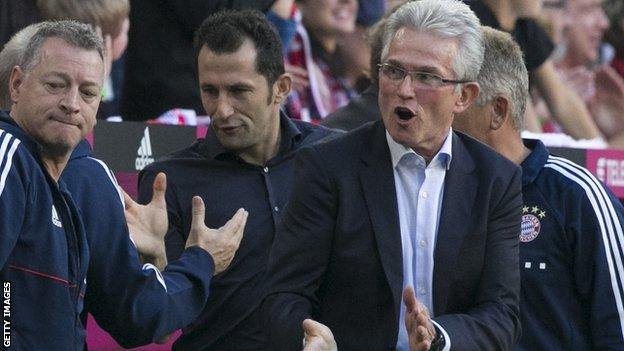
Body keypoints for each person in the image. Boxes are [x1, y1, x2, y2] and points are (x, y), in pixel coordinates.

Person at [262, 1, 523, 350]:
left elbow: (502, 314)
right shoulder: (328, 167)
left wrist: (439, 338)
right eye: (394, 71)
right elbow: (284, 296)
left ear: (464, 96)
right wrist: (309, 338)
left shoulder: (497, 180)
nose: (404, 89)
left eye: (427, 77)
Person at [0, 20, 248, 350]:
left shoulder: (89, 180)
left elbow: (137, 316)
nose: (72, 103)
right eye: (56, 85)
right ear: (17, 85)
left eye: (88, 92)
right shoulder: (7, 151)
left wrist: (196, 260)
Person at [137, 10, 334, 350]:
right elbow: (160, 330)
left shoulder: (334, 155)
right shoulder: (168, 180)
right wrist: (157, 266)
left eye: (239, 91)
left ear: (281, 88)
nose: (222, 109)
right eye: (209, 91)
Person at [454, 26, 624, 350]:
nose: (438, 109)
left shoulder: (577, 196)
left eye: (458, 97)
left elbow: (618, 328)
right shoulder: (431, 192)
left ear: (497, 111)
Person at [463, 0, 604, 141]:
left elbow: (562, 100)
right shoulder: (470, 20)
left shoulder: (524, 25)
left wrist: (602, 153)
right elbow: (519, 109)